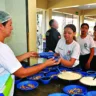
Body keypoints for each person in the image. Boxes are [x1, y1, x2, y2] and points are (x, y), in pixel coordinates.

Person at [0, 11, 59, 95]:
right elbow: (22, 73)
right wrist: (45, 64)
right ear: (1, 26)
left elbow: (9, 61)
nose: (12, 28)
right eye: (10, 25)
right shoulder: (2, 48)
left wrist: (27, 54)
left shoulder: (2, 47)